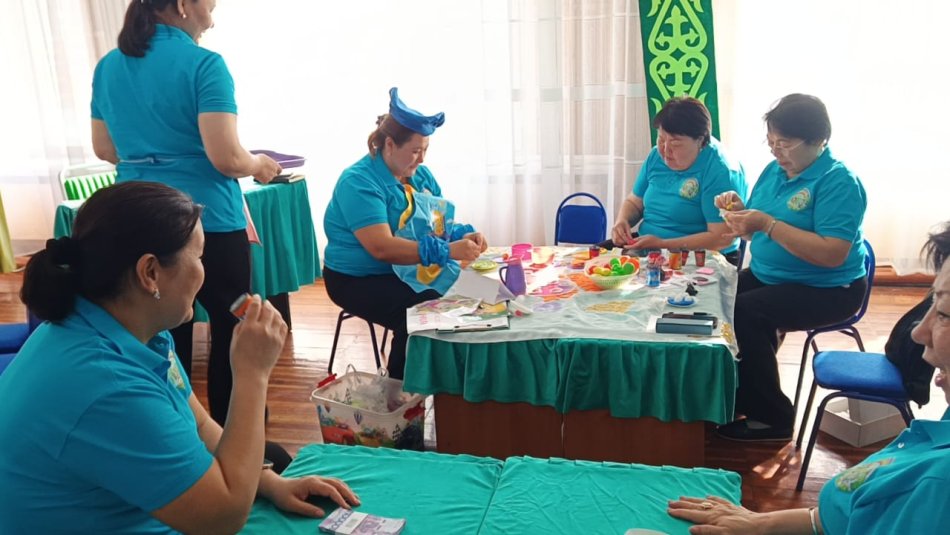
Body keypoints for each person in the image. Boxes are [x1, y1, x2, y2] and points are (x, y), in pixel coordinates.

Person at [0, 182, 357, 533]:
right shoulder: (107, 385)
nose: (205, 270)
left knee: (272, 458)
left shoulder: (130, 327)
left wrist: (272, 484)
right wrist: (252, 374)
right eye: (199, 257)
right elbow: (222, 518)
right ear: (150, 273)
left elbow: (198, 424)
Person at [667, 223, 950, 534]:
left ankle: (767, 414)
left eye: (944, 314)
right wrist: (761, 524)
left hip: (821, 289)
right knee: (723, 298)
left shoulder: (937, 484)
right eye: (931, 304)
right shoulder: (940, 433)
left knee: (746, 313)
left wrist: (768, 224)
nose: (918, 332)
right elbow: (830, 521)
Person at [90, 0, 281, 425]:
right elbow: (226, 157)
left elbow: (104, 148)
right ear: (182, 5)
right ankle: (238, 441)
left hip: (137, 217)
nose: (213, 16)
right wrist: (258, 164)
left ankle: (172, 433)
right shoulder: (204, 64)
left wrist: (151, 158)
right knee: (233, 328)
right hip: (209, 224)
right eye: (210, 5)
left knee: (159, 334)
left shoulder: (108, 67)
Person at [712, 94, 869, 441]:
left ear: (818, 140)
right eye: (771, 142)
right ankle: (731, 395)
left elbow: (832, 254)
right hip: (772, 276)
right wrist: (740, 213)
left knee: (746, 312)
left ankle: (773, 418)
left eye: (784, 143)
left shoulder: (838, 181)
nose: (776, 151)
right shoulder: (775, 171)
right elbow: (755, 231)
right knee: (713, 296)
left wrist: (767, 224)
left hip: (828, 288)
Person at [322, 88, 486, 379]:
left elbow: (438, 225)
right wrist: (448, 251)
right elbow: (382, 248)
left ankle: (453, 385)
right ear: (389, 144)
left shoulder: (420, 176)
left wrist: (461, 236)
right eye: (415, 151)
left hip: (406, 270)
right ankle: (399, 392)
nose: (421, 159)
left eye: (425, 150)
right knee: (421, 312)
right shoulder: (358, 182)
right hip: (357, 279)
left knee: (471, 295)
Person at [611, 96, 748, 263]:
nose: (665, 150)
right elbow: (634, 202)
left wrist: (663, 245)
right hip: (647, 249)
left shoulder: (720, 170)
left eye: (675, 144)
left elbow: (721, 237)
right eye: (661, 139)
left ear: (701, 141)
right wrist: (622, 221)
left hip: (699, 259)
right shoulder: (655, 156)